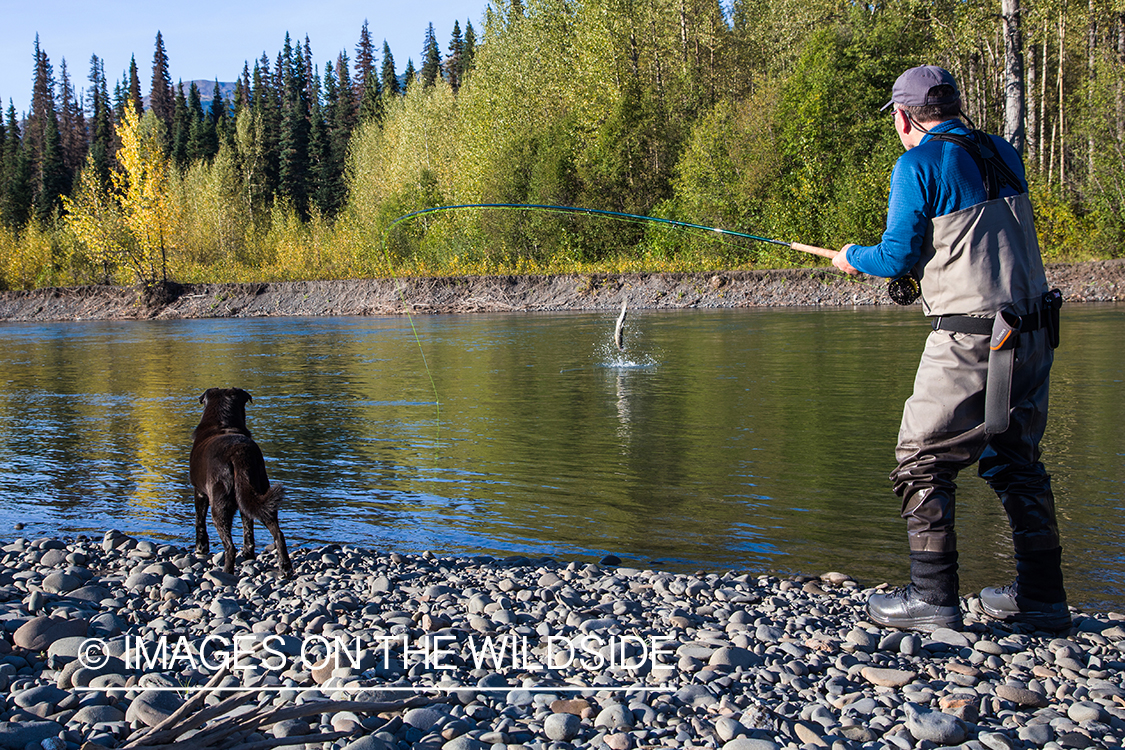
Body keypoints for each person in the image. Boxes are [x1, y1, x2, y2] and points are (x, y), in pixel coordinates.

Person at [832, 65, 1069, 632]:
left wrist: (850, 257)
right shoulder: (1003, 152)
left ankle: (932, 597)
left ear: (904, 116)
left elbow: (895, 258)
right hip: (1036, 331)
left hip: (973, 337)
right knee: (1016, 460)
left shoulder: (917, 163)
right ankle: (1043, 598)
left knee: (921, 456)